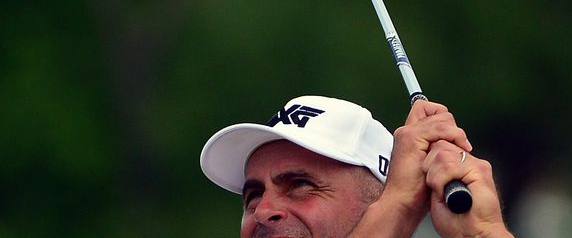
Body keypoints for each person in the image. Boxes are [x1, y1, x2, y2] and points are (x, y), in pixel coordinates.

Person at [200, 95, 514, 237]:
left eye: (299, 185)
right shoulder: (396, 204)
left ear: (375, 200)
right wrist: (400, 202)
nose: (264, 209)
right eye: (252, 195)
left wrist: (484, 233)